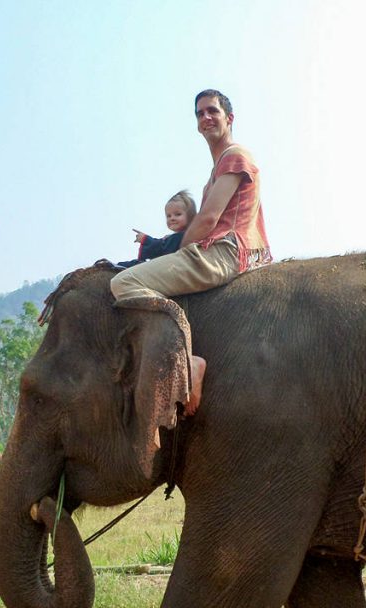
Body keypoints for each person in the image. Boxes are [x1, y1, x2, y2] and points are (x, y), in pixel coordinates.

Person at [111, 89, 271, 416]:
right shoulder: (215, 171)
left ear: (230, 118)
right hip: (223, 250)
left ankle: (186, 360)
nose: (206, 118)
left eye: (212, 111)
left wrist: (179, 252)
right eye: (200, 114)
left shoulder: (234, 156)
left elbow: (209, 219)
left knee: (123, 284)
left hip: (223, 252)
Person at [116, 189, 197, 270]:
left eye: (178, 214)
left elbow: (161, 249)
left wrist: (145, 239)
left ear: (190, 216)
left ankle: (116, 267)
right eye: (169, 216)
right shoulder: (175, 237)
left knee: (137, 266)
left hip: (171, 270)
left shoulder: (182, 237)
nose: (172, 218)